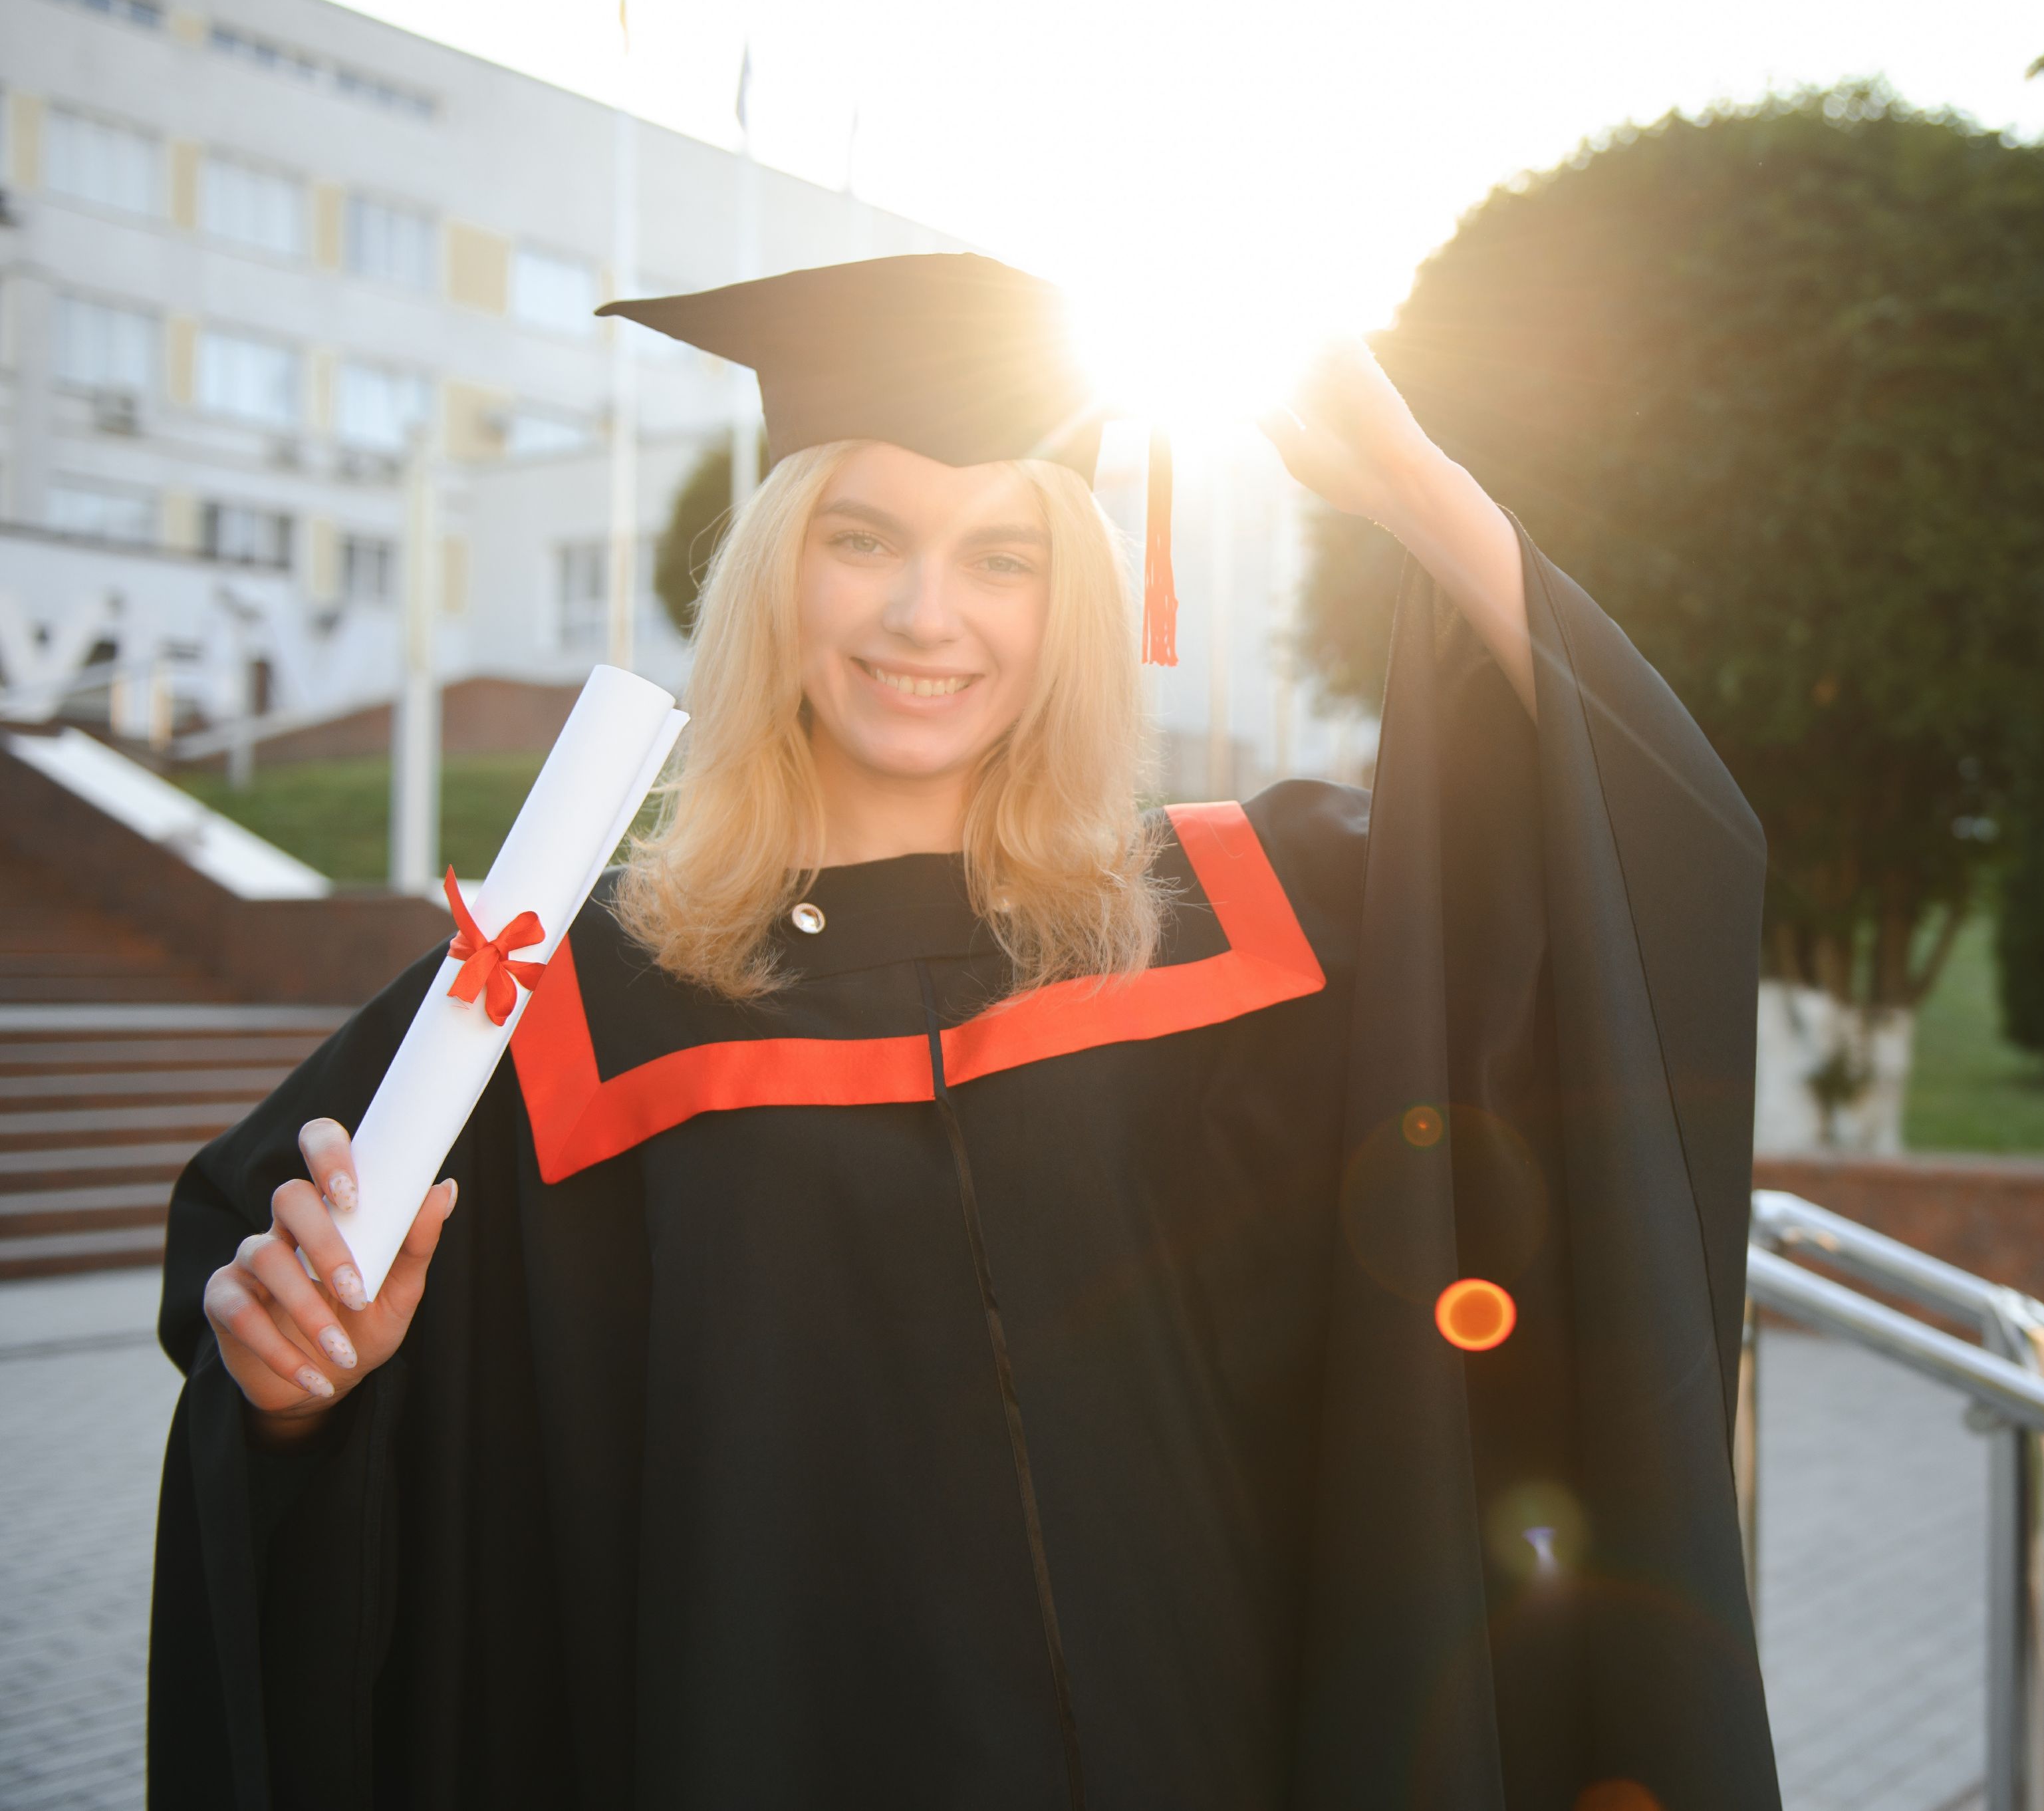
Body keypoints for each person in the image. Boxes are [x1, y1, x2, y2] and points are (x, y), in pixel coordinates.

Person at [148, 253, 1779, 1810]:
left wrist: (1413, 485)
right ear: (777, 566)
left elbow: (1630, 865)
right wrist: (295, 1375)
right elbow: (289, 1335)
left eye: (1004, 556)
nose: (929, 615)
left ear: (1072, 601)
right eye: (864, 538)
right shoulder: (567, 1008)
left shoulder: (1246, 917)